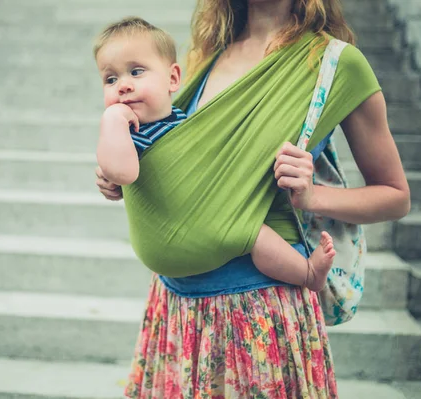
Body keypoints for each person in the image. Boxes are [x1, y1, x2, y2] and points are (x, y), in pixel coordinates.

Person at [95, 1, 410, 397]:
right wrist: (116, 177)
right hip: (178, 311)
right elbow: (182, 166)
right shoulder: (210, 51)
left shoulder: (336, 63)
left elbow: (396, 197)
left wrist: (312, 197)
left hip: (258, 312)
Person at [94, 16, 336, 293]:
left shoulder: (183, 119)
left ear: (173, 78)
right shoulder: (128, 134)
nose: (122, 85)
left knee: (259, 238)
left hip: (218, 215)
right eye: (110, 79)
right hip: (179, 232)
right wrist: (113, 121)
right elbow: (121, 171)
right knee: (252, 237)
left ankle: (308, 273)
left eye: (136, 72)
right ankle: (307, 271)